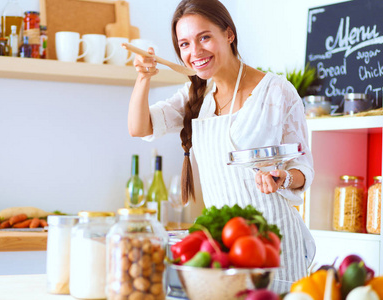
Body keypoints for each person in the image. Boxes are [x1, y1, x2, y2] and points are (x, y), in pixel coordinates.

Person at [128, 0, 315, 285]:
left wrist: (283, 178)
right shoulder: (195, 95)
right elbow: (139, 127)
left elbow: (303, 168)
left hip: (275, 244)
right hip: (225, 245)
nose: (195, 52)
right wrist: (143, 78)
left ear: (229, 34)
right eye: (185, 44)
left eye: (204, 37)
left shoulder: (276, 91)